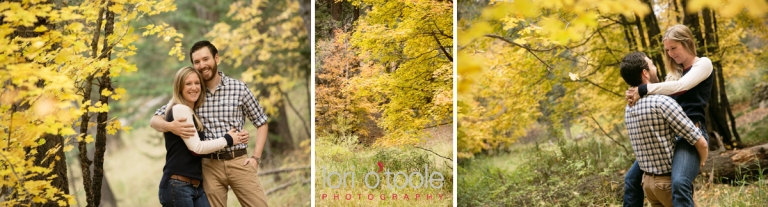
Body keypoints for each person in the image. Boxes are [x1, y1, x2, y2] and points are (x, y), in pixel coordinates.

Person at [150, 41, 270, 207]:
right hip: (209, 167)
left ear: (216, 58)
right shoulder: (192, 94)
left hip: (238, 160)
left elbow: (261, 121)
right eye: (197, 62)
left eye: (206, 59)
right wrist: (171, 127)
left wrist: (256, 158)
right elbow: (155, 120)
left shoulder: (238, 88)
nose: (202, 65)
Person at [623, 24, 714, 207]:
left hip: (691, 135)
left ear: (687, 43)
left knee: (679, 183)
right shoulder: (673, 75)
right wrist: (634, 93)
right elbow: (662, 102)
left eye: (674, 48)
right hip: (671, 136)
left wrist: (643, 89)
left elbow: (681, 87)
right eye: (667, 50)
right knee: (631, 180)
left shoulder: (703, 64)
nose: (671, 54)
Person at [159, 66, 249, 207]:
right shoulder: (180, 109)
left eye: (197, 83)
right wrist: (228, 139)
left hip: (195, 186)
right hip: (177, 186)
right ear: (179, 87)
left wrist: (239, 134)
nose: (194, 87)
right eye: (188, 84)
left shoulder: (191, 110)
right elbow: (197, 148)